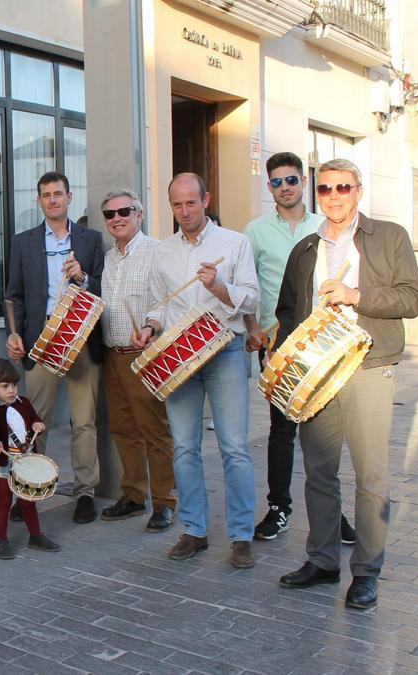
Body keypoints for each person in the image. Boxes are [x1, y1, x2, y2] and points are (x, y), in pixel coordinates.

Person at [276, 159, 418, 610]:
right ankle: (322, 561)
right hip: (316, 374)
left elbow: (414, 299)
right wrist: (283, 356)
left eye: (343, 187)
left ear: (358, 190)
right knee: (319, 473)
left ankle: (366, 572)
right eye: (325, 189)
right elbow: (287, 310)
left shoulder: (390, 236)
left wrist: (357, 296)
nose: (334, 195)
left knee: (371, 476)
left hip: (368, 365)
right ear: (315, 193)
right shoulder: (304, 248)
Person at [136, 173, 260, 569]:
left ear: (206, 200)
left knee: (234, 447)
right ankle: (194, 530)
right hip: (177, 353)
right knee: (185, 447)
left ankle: (242, 536)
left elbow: (252, 299)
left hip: (225, 349)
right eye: (177, 205)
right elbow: (159, 303)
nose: (184, 211)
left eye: (191, 203)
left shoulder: (235, 243)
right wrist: (151, 326)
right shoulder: (163, 250)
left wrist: (220, 287)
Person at [243, 154, 358, 545]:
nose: (285, 187)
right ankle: (279, 507)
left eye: (291, 179)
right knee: (281, 430)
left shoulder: (324, 224)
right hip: (278, 344)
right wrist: (253, 328)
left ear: (303, 182)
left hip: (324, 344)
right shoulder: (255, 232)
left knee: (324, 433)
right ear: (269, 187)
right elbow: (249, 288)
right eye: (276, 182)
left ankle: (332, 511)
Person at [4, 172, 105, 524]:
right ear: (38, 200)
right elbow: (12, 295)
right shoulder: (24, 241)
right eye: (45, 195)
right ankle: (29, 490)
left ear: (69, 197)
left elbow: (104, 289)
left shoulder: (91, 240)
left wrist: (83, 278)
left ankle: (85, 493)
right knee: (35, 421)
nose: (52, 200)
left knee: (84, 421)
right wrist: (14, 334)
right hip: (42, 337)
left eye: (58, 194)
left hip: (81, 336)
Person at [95, 190, 176, 532]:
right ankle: (132, 495)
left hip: (145, 355)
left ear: (139, 214)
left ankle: (164, 502)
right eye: (110, 214)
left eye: (124, 211)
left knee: (155, 431)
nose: (117, 218)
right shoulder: (108, 257)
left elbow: (168, 300)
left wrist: (150, 325)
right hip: (113, 355)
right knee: (123, 430)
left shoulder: (158, 252)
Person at [0, 358, 59, 559]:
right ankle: (1, 540)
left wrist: (38, 424)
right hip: (3, 463)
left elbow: (34, 418)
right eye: (5, 386)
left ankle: (36, 536)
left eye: (13, 385)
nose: (11, 390)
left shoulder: (24, 403)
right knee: (4, 501)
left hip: (26, 459)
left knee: (29, 501)